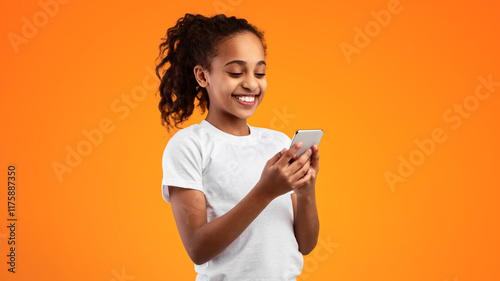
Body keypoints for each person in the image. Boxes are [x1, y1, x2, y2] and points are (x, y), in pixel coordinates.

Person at [156, 13, 320, 280]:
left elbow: (306, 245)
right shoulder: (189, 146)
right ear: (202, 75)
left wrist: (306, 192)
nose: (251, 83)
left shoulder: (277, 142)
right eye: (235, 72)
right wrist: (265, 192)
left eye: (260, 72)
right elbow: (198, 248)